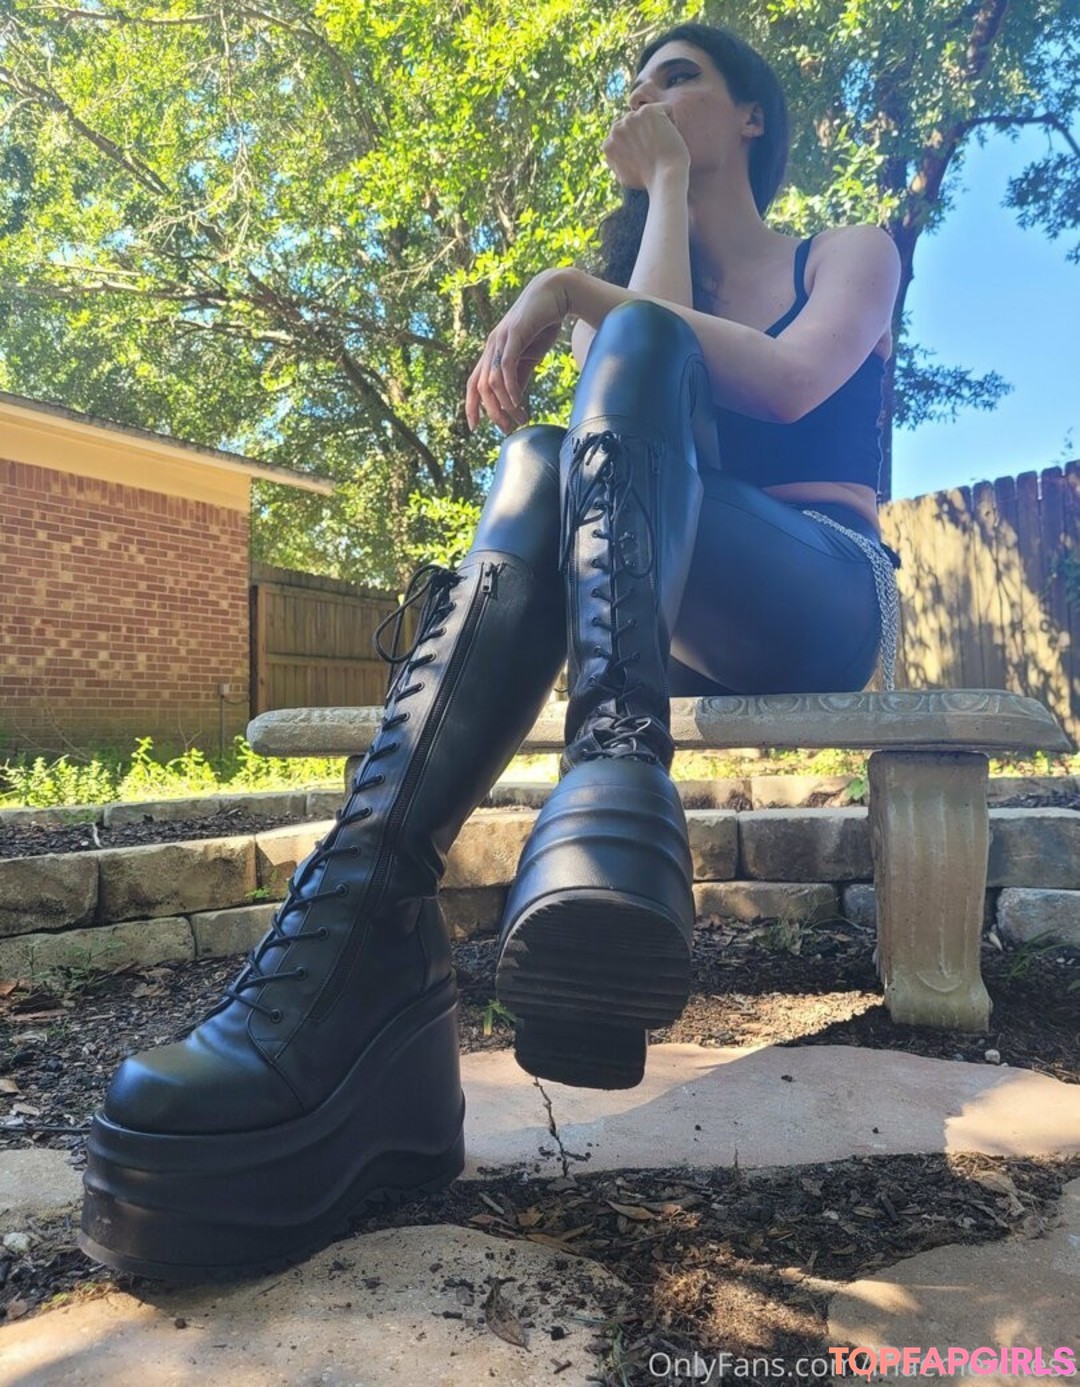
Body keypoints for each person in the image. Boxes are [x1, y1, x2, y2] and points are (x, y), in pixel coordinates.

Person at [79, 22, 901, 1282]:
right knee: (537, 456)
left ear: (751, 115)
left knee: (633, 350)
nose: (647, 96)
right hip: (663, 628)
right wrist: (638, 231)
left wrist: (584, 275)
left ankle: (599, 790)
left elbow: (789, 385)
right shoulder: (638, 278)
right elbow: (627, 436)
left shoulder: (846, 249)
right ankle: (371, 921)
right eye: (636, 86)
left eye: (678, 77)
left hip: (823, 591)